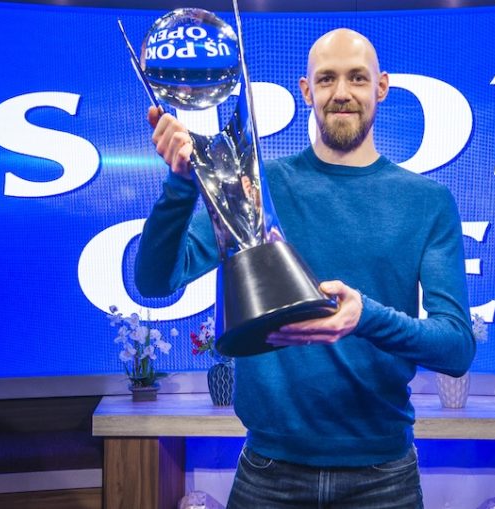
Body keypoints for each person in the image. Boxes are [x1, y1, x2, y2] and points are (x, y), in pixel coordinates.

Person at [135, 28, 475, 508]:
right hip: (268, 475)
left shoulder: (428, 203)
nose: (342, 93)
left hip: (384, 479)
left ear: (381, 87)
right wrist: (181, 184)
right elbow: (154, 281)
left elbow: (457, 346)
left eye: (357, 78)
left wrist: (365, 317)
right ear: (306, 90)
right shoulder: (256, 186)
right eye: (327, 79)